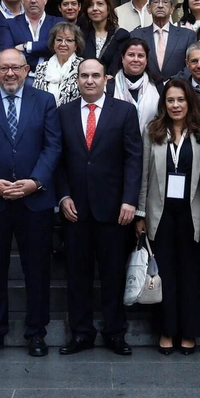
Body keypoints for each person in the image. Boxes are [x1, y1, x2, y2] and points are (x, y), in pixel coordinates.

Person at [0, 48, 61, 356]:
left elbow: (52, 146)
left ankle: (36, 333)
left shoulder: (44, 101)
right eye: (4, 68)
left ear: (27, 69)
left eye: (16, 68)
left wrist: (35, 182)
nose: (10, 73)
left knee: (37, 270)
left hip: (35, 200)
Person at [55, 58, 143, 356]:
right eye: (84, 76)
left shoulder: (125, 112)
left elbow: (134, 159)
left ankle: (115, 332)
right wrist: (63, 195)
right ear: (77, 80)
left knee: (113, 274)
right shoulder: (64, 113)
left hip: (115, 209)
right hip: (75, 209)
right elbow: (59, 160)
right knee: (77, 275)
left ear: (107, 79)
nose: (89, 80)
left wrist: (130, 200)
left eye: (95, 75)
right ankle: (81, 333)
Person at [137, 80, 200, 353]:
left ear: (189, 102)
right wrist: (140, 214)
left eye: (181, 100)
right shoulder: (153, 131)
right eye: (170, 100)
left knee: (192, 274)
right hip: (161, 213)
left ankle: (189, 331)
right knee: (163, 273)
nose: (176, 105)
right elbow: (144, 174)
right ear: (163, 104)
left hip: (194, 213)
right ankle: (166, 330)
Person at [108, 36, 162, 129]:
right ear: (122, 57)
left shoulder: (157, 84)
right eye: (131, 55)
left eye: (140, 56)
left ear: (146, 60)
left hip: (151, 141)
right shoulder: (110, 86)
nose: (136, 59)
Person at [133, 0, 187, 80]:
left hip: (178, 88)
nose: (160, 6)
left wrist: (172, 83)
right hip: (146, 89)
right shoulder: (136, 35)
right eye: (156, 2)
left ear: (172, 9)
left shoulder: (187, 36)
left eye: (165, 2)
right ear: (149, 8)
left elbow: (191, 65)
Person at [8, 0, 63, 68]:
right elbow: (9, 53)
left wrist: (26, 46)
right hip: (22, 77)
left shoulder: (59, 23)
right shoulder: (10, 24)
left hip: (53, 75)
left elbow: (59, 47)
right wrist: (45, 49)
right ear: (21, 0)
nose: (33, 0)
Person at [30, 21, 83, 106]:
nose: (63, 44)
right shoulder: (42, 67)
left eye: (68, 40)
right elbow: (36, 97)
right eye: (59, 40)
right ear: (53, 43)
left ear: (76, 45)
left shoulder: (83, 67)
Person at [77, 0, 128, 70]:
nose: (95, 8)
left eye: (100, 4)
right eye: (90, 5)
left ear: (108, 8)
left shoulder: (121, 36)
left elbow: (119, 65)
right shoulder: (80, 35)